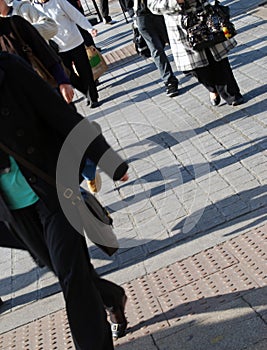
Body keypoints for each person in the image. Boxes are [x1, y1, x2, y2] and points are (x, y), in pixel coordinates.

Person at [0, 52, 129, 347]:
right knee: (68, 272)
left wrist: (108, 160)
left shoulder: (8, 69)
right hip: (12, 210)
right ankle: (110, 296)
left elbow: (60, 115)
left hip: (51, 188)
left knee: (73, 280)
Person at [148, 0, 244, 106]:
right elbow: (153, 5)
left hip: (206, 17)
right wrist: (176, 2)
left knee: (218, 59)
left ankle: (232, 94)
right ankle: (212, 89)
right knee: (197, 68)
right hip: (182, 26)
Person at [34, 0, 100, 108]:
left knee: (85, 71)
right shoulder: (33, 8)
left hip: (74, 42)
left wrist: (89, 28)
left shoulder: (59, 1)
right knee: (68, 76)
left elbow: (76, 15)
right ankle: (86, 91)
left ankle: (93, 97)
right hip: (58, 48)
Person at [0, 11, 74, 104]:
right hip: (18, 104)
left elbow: (44, 51)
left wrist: (63, 81)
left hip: (45, 90)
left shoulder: (15, 23)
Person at [132, 0, 179, 97]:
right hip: (142, 14)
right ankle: (169, 81)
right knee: (156, 50)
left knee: (175, 40)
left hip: (161, 9)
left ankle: (186, 67)